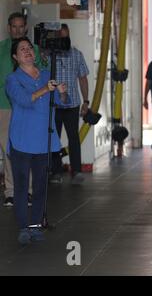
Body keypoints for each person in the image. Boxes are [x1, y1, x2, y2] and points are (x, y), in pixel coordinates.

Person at [6, 37, 68, 244]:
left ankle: (35, 226)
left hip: (44, 140)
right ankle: (23, 227)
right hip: (22, 140)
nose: (27, 51)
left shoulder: (46, 76)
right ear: (15, 57)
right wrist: (46, 90)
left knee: (41, 186)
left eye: (30, 48)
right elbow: (24, 100)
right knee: (22, 186)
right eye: (22, 49)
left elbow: (61, 102)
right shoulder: (13, 79)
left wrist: (62, 92)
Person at [0, 12, 42, 207]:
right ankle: (10, 192)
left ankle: (28, 191)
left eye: (20, 26)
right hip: (5, 106)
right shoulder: (1, 49)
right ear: (9, 28)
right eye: (13, 27)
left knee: (28, 149)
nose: (17, 30)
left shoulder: (32, 50)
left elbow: (40, 76)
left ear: (25, 28)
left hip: (29, 107)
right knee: (8, 150)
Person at [50, 24, 89, 185]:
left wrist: (86, 101)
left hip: (72, 104)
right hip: (54, 105)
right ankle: (55, 171)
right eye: (61, 37)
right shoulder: (49, 55)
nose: (64, 40)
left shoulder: (77, 55)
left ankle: (77, 171)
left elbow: (83, 79)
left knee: (74, 138)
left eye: (66, 36)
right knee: (54, 139)